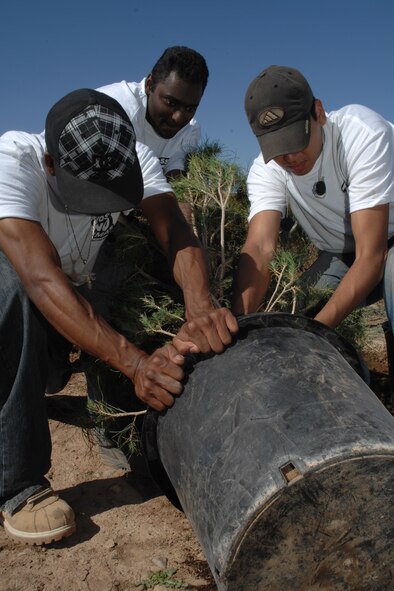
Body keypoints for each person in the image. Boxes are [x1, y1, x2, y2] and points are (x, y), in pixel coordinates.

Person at [0, 88, 237, 545]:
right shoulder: (12, 163)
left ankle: (115, 422)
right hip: (25, 294)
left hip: (68, 293)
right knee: (6, 285)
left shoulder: (138, 155)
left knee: (131, 262)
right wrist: (135, 364)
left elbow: (176, 232)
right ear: (51, 164)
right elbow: (40, 279)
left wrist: (201, 310)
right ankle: (16, 484)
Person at [232, 65, 394, 340]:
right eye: (278, 146)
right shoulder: (267, 169)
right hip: (343, 251)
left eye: (297, 139)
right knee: (289, 312)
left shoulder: (363, 134)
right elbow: (260, 247)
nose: (291, 157)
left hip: (382, 243)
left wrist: (313, 335)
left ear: (318, 112)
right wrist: (238, 327)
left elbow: (372, 256)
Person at [97, 46, 208, 180]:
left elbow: (176, 181)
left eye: (190, 109)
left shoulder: (190, 130)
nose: (178, 118)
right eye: (171, 103)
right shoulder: (113, 111)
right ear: (150, 84)